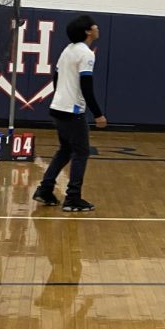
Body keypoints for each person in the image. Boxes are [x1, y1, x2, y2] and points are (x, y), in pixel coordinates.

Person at [32, 14, 107, 212]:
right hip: (72, 111)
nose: (97, 26)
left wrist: (61, 97)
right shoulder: (86, 54)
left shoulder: (68, 50)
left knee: (65, 150)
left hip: (58, 107)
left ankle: (44, 189)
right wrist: (98, 114)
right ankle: (73, 198)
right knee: (81, 152)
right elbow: (86, 87)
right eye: (94, 24)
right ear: (88, 31)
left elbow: (56, 77)